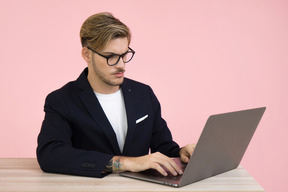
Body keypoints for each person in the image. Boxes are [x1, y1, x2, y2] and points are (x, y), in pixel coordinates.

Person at [37, 12, 195, 178]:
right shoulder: (61, 100)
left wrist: (181, 153)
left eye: (124, 54)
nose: (121, 65)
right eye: (110, 56)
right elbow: (50, 155)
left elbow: (163, 148)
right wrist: (127, 163)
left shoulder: (144, 94)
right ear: (86, 54)